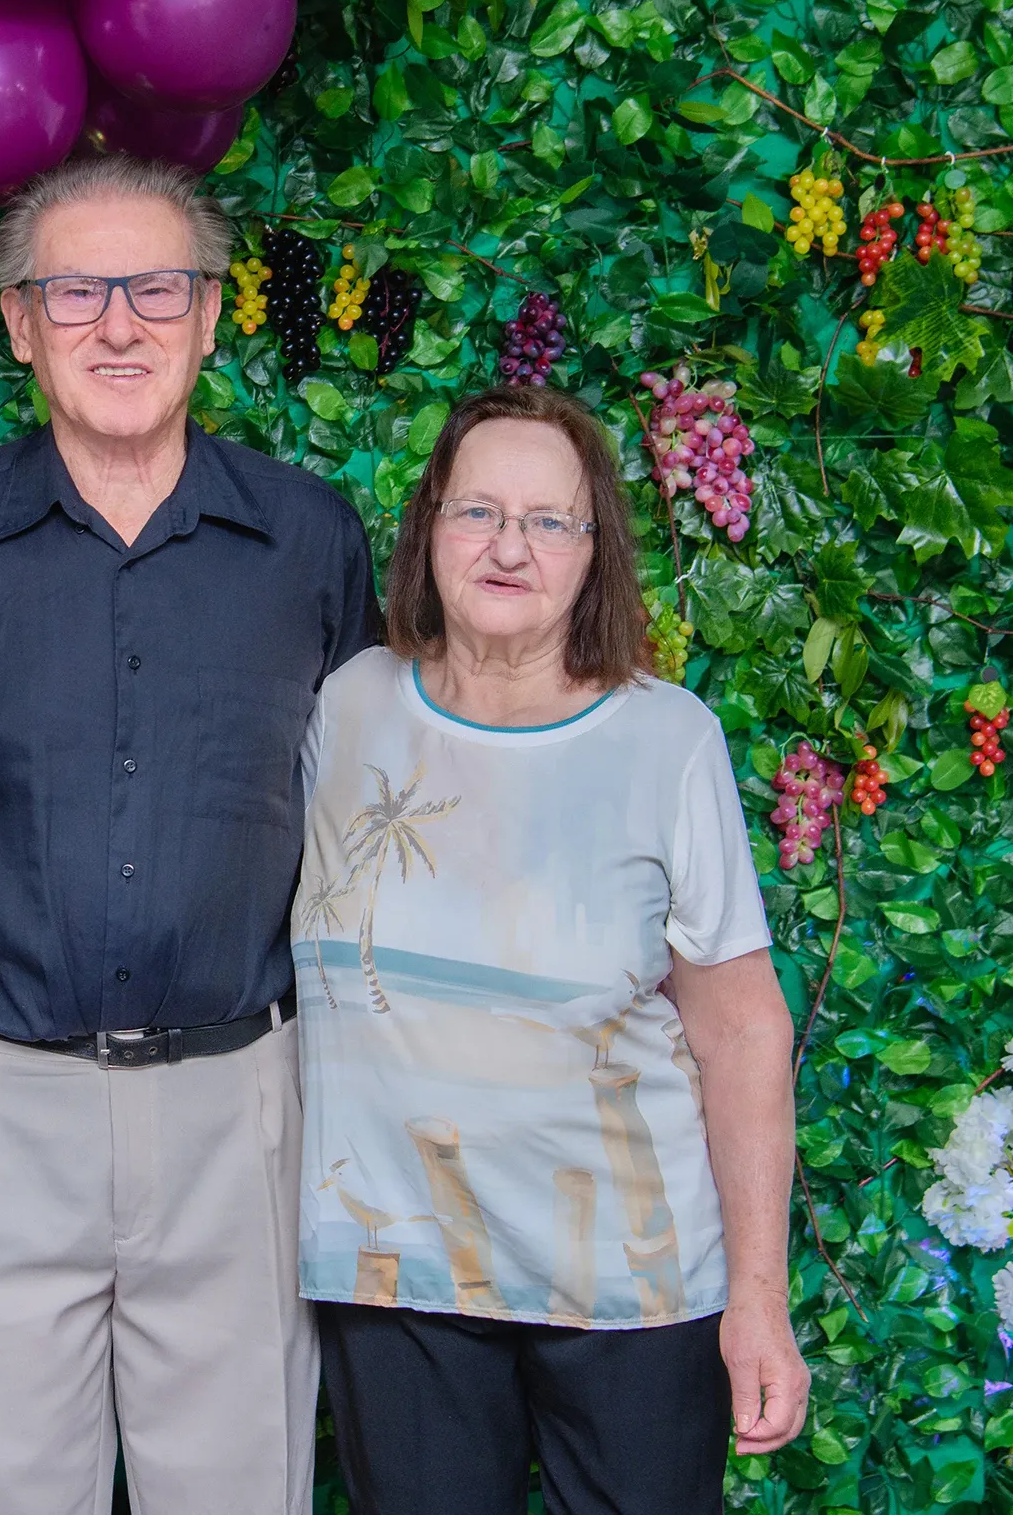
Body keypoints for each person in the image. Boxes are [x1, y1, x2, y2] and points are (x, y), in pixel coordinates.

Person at [0, 154, 378, 1515]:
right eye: (75, 293)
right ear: (19, 322)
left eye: (155, 289)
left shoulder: (306, 539)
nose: (117, 325)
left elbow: (379, 817)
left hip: (240, 1105)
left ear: (209, 315)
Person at [290, 385, 807, 1514]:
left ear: (593, 552)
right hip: (396, 1278)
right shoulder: (348, 706)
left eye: (549, 520)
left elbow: (740, 1027)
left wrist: (758, 1300)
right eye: (477, 511)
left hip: (631, 1291)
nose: (509, 546)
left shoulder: (668, 737)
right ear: (428, 528)